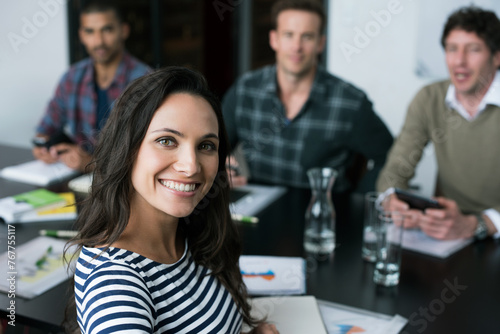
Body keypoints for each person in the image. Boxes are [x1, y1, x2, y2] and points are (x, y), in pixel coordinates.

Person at [65, 67, 278, 334]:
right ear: (127, 149)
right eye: (167, 141)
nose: (190, 166)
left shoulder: (191, 232)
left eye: (206, 146)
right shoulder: (115, 281)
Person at [222, 0, 393, 193]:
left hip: (322, 216)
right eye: (288, 35)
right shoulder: (245, 90)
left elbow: (392, 158)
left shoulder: (350, 103)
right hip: (258, 211)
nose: (297, 47)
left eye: (307, 37)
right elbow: (212, 146)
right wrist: (219, 169)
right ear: (274, 39)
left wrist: (359, 204)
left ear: (320, 43)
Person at [377, 6, 500, 241]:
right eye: (452, 49)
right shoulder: (429, 99)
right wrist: (392, 202)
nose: (459, 61)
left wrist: (478, 225)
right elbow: (395, 170)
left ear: (496, 57)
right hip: (447, 232)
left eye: (473, 49)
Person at [32, 0, 150, 172]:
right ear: (81, 36)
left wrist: (93, 163)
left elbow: (152, 153)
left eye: (107, 30)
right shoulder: (72, 78)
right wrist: (41, 147)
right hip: (78, 180)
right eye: (90, 31)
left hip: (126, 185)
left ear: (123, 31)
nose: (98, 41)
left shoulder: (146, 82)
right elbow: (45, 129)